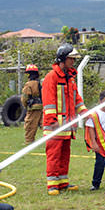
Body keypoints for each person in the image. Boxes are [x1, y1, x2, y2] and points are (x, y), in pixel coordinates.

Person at [42, 44, 86, 195]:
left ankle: (62, 182)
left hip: (67, 126)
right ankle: (52, 184)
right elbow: (48, 101)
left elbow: (76, 99)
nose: (73, 61)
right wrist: (52, 120)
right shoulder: (51, 77)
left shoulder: (70, 78)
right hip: (55, 126)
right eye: (70, 59)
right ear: (62, 59)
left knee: (64, 155)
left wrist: (84, 112)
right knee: (54, 155)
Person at [21, 63, 43, 144]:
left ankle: (29, 141)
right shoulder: (39, 83)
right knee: (44, 124)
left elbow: (25, 97)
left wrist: (25, 105)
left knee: (30, 125)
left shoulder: (29, 84)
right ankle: (52, 139)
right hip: (42, 106)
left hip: (33, 107)